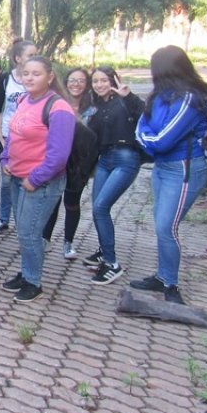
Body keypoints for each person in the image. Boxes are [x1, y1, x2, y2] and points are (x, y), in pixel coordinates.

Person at [131, 46, 207, 305]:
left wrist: (145, 139)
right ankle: (163, 275)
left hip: (184, 168)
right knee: (161, 224)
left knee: (167, 226)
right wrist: (146, 138)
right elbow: (143, 126)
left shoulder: (190, 99)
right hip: (162, 168)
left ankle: (171, 284)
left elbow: (161, 140)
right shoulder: (159, 96)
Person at [0, 56, 75, 303]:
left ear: (50, 77)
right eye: (26, 73)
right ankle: (26, 272)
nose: (29, 78)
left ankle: (34, 281)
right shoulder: (24, 100)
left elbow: (59, 155)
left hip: (40, 183)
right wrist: (5, 160)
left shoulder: (58, 108)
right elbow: (13, 136)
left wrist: (36, 178)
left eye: (36, 74)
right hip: (18, 177)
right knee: (23, 231)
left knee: (30, 232)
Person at [82, 66, 145, 284]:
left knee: (101, 206)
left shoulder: (124, 101)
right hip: (105, 159)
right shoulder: (97, 106)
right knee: (97, 207)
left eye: (104, 80)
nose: (99, 84)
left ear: (114, 80)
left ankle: (112, 263)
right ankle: (103, 250)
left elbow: (145, 114)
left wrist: (128, 96)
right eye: (95, 81)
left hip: (126, 159)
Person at [41, 67, 94, 258]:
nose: (76, 84)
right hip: (57, 158)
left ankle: (68, 242)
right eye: (72, 80)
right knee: (53, 200)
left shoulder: (93, 107)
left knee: (72, 202)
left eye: (81, 80)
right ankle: (45, 239)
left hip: (79, 163)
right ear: (66, 82)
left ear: (87, 84)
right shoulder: (56, 102)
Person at [0, 39, 38, 235]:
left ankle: (25, 223)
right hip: (9, 138)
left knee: (28, 180)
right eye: (30, 55)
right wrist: (1, 138)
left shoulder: (38, 80)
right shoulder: (6, 79)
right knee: (7, 181)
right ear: (18, 58)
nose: (35, 59)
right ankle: (3, 219)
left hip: (32, 140)